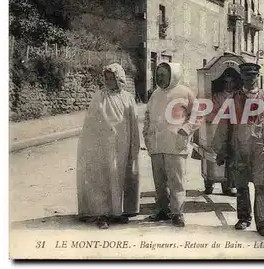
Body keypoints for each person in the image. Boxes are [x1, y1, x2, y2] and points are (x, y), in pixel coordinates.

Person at [212, 62, 264, 238]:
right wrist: (221, 150)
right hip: (240, 147)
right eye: (247, 76)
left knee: (261, 186)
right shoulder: (233, 99)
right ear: (242, 78)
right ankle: (244, 218)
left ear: (257, 77)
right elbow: (224, 124)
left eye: (253, 76)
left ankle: (263, 223)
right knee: (241, 185)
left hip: (262, 148)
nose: (250, 79)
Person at [77, 63, 140, 229]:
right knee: (103, 177)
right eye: (106, 78)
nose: (108, 81)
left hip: (123, 144)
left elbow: (133, 122)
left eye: (112, 78)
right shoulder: (100, 96)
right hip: (103, 145)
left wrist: (134, 144)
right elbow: (92, 121)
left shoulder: (128, 98)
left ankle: (116, 212)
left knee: (119, 176)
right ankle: (101, 214)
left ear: (119, 78)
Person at [143, 62, 202, 227]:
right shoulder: (155, 94)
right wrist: (147, 135)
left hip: (176, 144)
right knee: (159, 181)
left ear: (172, 75)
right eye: (158, 75)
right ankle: (162, 209)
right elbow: (147, 116)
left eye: (163, 75)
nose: (159, 78)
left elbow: (197, 114)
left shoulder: (184, 92)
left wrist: (187, 129)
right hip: (156, 144)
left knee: (176, 181)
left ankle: (177, 213)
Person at [204, 69, 239, 197]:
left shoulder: (238, 95)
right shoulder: (217, 96)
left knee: (232, 157)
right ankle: (210, 182)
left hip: (234, 130)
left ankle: (229, 186)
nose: (229, 85)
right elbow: (212, 111)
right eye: (226, 83)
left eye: (231, 83)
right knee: (214, 155)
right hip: (218, 128)